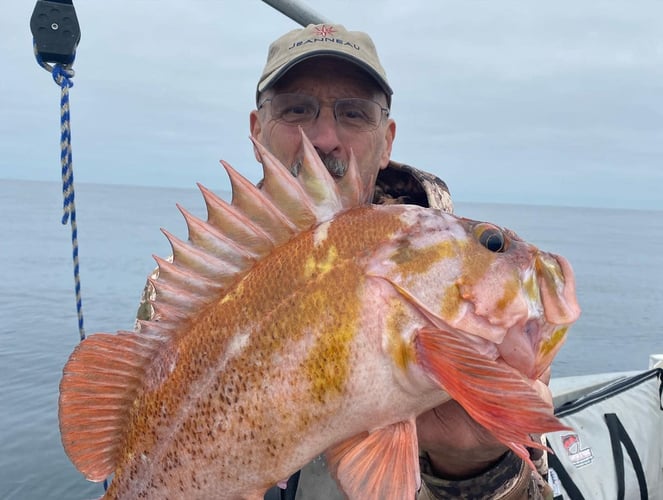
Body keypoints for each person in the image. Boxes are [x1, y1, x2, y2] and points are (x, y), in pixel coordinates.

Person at [137, 23, 553, 499]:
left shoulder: (470, 288)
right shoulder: (193, 286)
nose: (324, 137)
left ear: (388, 138)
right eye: (296, 109)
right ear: (257, 130)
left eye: (353, 114)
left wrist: (476, 467)